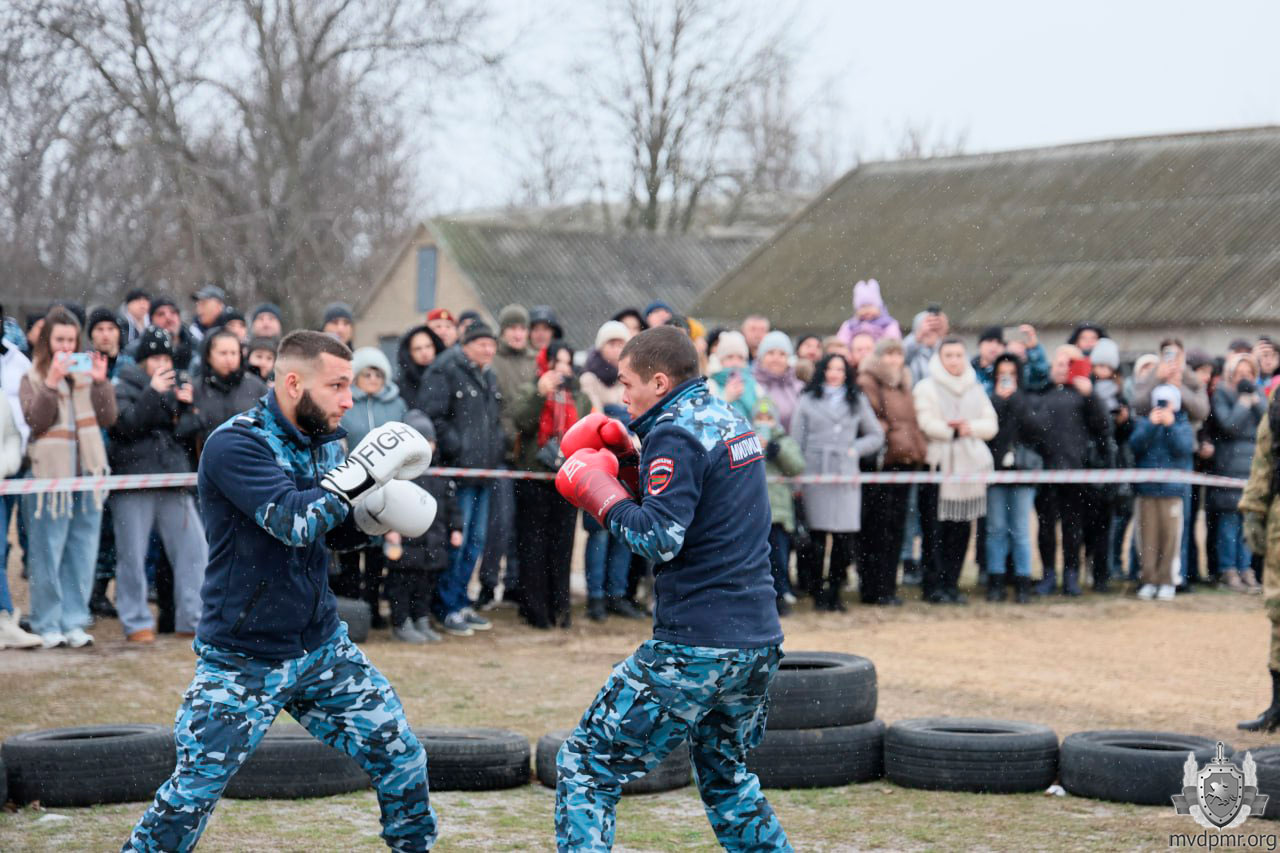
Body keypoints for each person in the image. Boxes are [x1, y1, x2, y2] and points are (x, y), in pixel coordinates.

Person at [124, 330, 438, 851]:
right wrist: (361, 473)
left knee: (401, 754)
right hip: (243, 656)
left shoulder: (325, 442)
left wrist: (373, 517)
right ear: (294, 384)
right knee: (192, 793)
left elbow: (327, 532)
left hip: (320, 646)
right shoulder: (235, 444)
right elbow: (293, 521)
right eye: (336, 385)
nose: (348, 400)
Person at [552, 326, 789, 851]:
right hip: (756, 640)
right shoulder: (729, 419)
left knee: (585, 763)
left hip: (696, 644)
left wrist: (600, 494)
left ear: (659, 382)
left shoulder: (674, 434)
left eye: (627, 382)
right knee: (727, 779)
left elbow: (658, 538)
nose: (622, 395)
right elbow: (703, 508)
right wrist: (631, 466)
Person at [19, 307, 117, 648]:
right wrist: (51, 383)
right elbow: (36, 421)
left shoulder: (85, 375)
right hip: (49, 479)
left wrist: (101, 382)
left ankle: (74, 620)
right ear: (47, 341)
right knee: (47, 552)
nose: (65, 347)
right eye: (59, 339)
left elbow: (108, 417)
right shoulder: (32, 375)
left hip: (88, 474)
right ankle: (47, 622)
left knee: (82, 551)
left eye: (71, 340)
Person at [109, 327, 208, 644]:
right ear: (143, 362)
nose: (162, 364)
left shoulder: (173, 388)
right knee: (132, 555)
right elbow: (126, 425)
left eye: (166, 358)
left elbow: (182, 434)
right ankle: (136, 621)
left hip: (173, 478)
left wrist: (187, 409)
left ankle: (192, 618)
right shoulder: (122, 385)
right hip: (133, 480)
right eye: (155, 358)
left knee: (194, 550)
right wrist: (153, 393)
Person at [421, 322, 503, 637]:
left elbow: (494, 421)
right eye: (482, 344)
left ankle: (461, 601)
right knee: (457, 539)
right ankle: (445, 606)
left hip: (484, 472)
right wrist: (457, 448)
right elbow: (433, 416)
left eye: (492, 344)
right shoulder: (446, 369)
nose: (489, 350)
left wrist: (494, 450)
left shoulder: (489, 376)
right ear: (466, 344)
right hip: (458, 472)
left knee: (475, 542)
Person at [792, 353, 885, 612]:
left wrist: (854, 449)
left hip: (845, 475)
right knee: (816, 538)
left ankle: (835, 590)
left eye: (840, 370)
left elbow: (876, 435)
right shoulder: (807, 399)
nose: (834, 374)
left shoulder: (857, 400)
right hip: (815, 472)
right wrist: (797, 480)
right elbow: (797, 440)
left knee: (844, 538)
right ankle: (817, 591)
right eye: (830, 369)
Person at [511, 341, 592, 629]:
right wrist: (540, 395)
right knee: (533, 546)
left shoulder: (579, 397)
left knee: (563, 547)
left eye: (568, 363)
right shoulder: (530, 390)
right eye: (558, 362)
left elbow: (586, 433)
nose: (563, 369)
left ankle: (561, 608)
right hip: (534, 479)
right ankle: (535, 610)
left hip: (566, 481)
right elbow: (522, 422)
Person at [913, 338, 997, 605]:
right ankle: (933, 585)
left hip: (969, 467)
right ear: (940, 358)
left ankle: (951, 583)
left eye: (959, 355)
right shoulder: (926, 387)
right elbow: (925, 422)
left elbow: (990, 423)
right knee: (934, 531)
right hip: (938, 465)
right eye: (949, 355)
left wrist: (969, 427)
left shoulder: (975, 387)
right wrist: (952, 431)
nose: (954, 360)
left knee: (961, 530)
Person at [335, 347, 409, 628]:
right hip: (353, 484)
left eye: (378, 374)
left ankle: (374, 606)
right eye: (367, 373)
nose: (373, 379)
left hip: (385, 486)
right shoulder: (345, 402)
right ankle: (352, 608)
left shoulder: (396, 404)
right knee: (351, 549)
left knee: (378, 551)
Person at [1032, 345, 1112, 596]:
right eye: (1058, 363)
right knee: (1045, 527)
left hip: (1075, 471)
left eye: (1068, 364)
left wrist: (1091, 396)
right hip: (1045, 472)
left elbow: (1103, 426)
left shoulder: (1083, 396)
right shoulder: (1040, 394)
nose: (1061, 368)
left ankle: (1071, 575)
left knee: (1072, 527)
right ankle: (1048, 574)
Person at [856, 337, 928, 607]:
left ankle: (888, 586)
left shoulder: (903, 383)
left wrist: (914, 446)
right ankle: (872, 587)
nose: (894, 360)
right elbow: (874, 419)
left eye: (898, 354)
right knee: (876, 529)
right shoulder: (868, 381)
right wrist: (893, 434)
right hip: (881, 462)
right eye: (888, 354)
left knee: (896, 527)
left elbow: (910, 421)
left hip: (903, 460)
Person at [386, 410, 460, 645]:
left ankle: (421, 618)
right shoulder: (397, 474)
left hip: (433, 544)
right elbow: (386, 504)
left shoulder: (439, 474)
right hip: (405, 543)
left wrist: (456, 528)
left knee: (425, 586)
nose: (428, 445)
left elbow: (451, 505)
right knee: (401, 585)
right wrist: (390, 530)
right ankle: (401, 622)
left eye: (431, 440)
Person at [983, 353, 1047, 603]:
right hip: (996, 471)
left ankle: (1022, 582)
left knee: (1020, 530)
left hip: (1022, 471)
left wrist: (1016, 400)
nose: (1006, 378)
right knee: (996, 529)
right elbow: (989, 432)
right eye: (1002, 374)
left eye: (1011, 374)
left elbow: (1036, 428)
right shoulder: (989, 401)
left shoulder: (1028, 399)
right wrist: (999, 401)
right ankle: (995, 581)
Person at [1129, 384, 1195, 601]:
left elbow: (1184, 449)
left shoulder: (1183, 425)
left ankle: (1168, 580)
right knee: (1147, 537)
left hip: (1172, 490)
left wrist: (1170, 426)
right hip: (1147, 489)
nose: (1163, 406)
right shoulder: (1144, 423)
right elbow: (1135, 446)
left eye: (1168, 401)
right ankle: (1148, 579)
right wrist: (1151, 425)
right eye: (1159, 401)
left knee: (1170, 539)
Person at [1211, 353, 1266, 593]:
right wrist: (1243, 403)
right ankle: (1228, 569)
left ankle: (1246, 568)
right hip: (1229, 465)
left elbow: (1268, 422)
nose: (1245, 378)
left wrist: (1256, 401)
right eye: (1240, 374)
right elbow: (1229, 425)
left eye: (1249, 374)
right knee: (1229, 522)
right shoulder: (1222, 394)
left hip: (1253, 467)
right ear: (1230, 375)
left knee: (1248, 523)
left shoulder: (1258, 394)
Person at [178, 328, 269, 457]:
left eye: (233, 353)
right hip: (208, 460)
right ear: (208, 356)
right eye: (223, 353)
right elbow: (182, 433)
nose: (229, 359)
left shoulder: (256, 386)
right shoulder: (195, 388)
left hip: (250, 458)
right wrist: (190, 413)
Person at [752, 398, 804, 615]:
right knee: (756, 559)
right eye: (759, 417)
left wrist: (777, 450)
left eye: (769, 418)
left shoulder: (784, 441)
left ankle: (780, 596)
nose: (764, 422)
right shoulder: (745, 439)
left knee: (779, 559)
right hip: (753, 512)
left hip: (779, 513)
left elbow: (797, 466)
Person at [752, 331, 803, 432]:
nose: (776, 358)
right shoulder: (750, 384)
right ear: (761, 357)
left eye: (782, 354)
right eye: (771, 353)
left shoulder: (799, 387)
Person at [707, 331, 761, 422]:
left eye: (740, 358)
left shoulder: (753, 384)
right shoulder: (711, 384)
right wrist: (725, 398)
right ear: (720, 360)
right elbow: (708, 415)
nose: (735, 362)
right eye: (730, 357)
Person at [836, 279, 901, 346]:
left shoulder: (887, 324)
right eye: (863, 307)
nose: (867, 310)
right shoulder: (850, 326)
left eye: (870, 305)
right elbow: (842, 342)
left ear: (879, 307)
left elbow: (892, 342)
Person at [395, 324, 444, 410]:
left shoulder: (447, 375)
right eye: (418, 348)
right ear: (409, 352)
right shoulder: (402, 385)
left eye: (428, 346)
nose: (424, 352)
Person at [904, 308, 949, 384]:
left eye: (934, 329)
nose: (930, 331)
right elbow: (902, 356)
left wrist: (944, 334)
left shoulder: (944, 347)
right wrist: (918, 337)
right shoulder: (912, 349)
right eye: (928, 327)